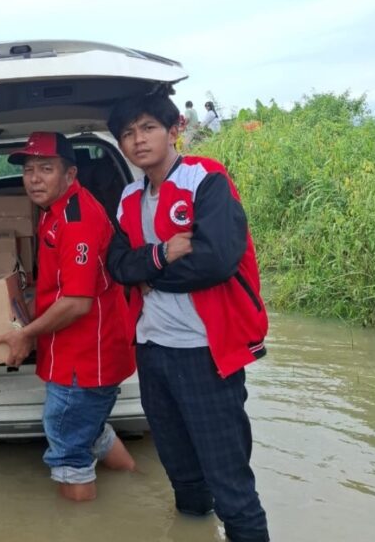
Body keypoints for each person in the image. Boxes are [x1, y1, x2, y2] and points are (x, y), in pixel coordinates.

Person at [106, 94, 269, 542]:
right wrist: (161, 255)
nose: (138, 140)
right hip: (152, 350)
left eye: (148, 128)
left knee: (230, 483)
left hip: (205, 352)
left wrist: (147, 273)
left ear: (174, 129)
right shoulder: (128, 197)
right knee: (182, 474)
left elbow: (217, 260)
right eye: (127, 133)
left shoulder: (206, 179)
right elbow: (117, 265)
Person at [0, 132, 137, 502]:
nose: (34, 178)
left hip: (85, 360)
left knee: (69, 450)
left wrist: (26, 334)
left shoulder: (76, 220)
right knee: (89, 430)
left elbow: (76, 303)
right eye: (28, 169)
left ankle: (78, 522)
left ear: (70, 174)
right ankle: (136, 484)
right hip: (76, 354)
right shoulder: (54, 211)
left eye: (46, 169)